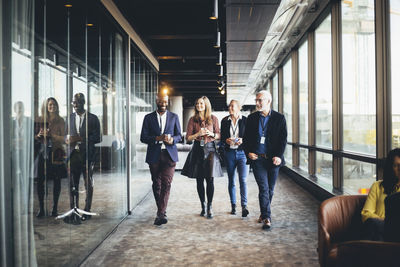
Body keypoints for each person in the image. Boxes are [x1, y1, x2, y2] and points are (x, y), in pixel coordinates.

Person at [243, 90, 287, 230]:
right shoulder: (252, 118)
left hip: (273, 160)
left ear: (268, 101)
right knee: (264, 188)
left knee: (270, 189)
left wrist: (279, 156)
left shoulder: (279, 118)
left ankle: (263, 212)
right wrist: (248, 152)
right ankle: (267, 217)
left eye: (260, 100)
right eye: (256, 100)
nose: (257, 103)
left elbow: (283, 140)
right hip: (258, 159)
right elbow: (246, 139)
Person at [140, 92, 182, 225]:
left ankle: (161, 213)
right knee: (156, 184)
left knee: (167, 183)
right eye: (160, 102)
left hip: (169, 155)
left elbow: (179, 136)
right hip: (154, 155)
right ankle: (161, 210)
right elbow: (143, 137)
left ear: (168, 102)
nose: (163, 104)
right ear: (156, 101)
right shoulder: (148, 118)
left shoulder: (174, 117)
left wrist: (172, 140)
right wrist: (157, 138)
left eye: (165, 102)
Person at [182, 96, 223, 219]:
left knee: (210, 179)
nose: (199, 105)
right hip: (197, 150)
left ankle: (210, 207)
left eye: (201, 103)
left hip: (210, 149)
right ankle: (203, 206)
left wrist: (212, 134)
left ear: (206, 105)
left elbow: (219, 135)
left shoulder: (213, 119)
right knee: (199, 180)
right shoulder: (192, 120)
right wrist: (197, 134)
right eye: (197, 103)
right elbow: (188, 138)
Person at [65, 93, 101, 223]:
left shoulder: (93, 118)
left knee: (88, 183)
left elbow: (98, 138)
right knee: (72, 184)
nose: (75, 105)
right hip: (73, 155)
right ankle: (74, 210)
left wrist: (80, 139)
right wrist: (68, 140)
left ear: (84, 102)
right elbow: (65, 137)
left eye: (78, 102)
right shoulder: (69, 118)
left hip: (88, 156)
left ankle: (87, 210)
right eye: (73, 102)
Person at [34, 97, 66, 217]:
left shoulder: (61, 120)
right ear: (46, 107)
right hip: (43, 153)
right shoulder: (40, 119)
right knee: (40, 181)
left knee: (57, 181)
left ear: (57, 106)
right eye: (49, 105)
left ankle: (55, 208)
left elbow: (63, 139)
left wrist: (51, 135)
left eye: (53, 104)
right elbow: (34, 138)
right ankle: (41, 208)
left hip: (57, 152)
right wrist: (38, 135)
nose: (51, 106)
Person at [361, 148, 400, 241]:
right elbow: (366, 213)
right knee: (374, 226)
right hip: (379, 228)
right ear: (390, 167)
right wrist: (382, 221)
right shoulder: (377, 186)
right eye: (396, 165)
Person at [220, 100, 249, 217]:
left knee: (243, 180)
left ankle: (244, 206)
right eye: (229, 106)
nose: (230, 108)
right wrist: (226, 140)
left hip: (242, 153)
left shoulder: (246, 120)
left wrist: (243, 140)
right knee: (231, 179)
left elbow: (251, 137)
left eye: (232, 106)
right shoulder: (224, 121)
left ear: (239, 108)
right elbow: (222, 138)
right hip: (229, 153)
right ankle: (233, 205)